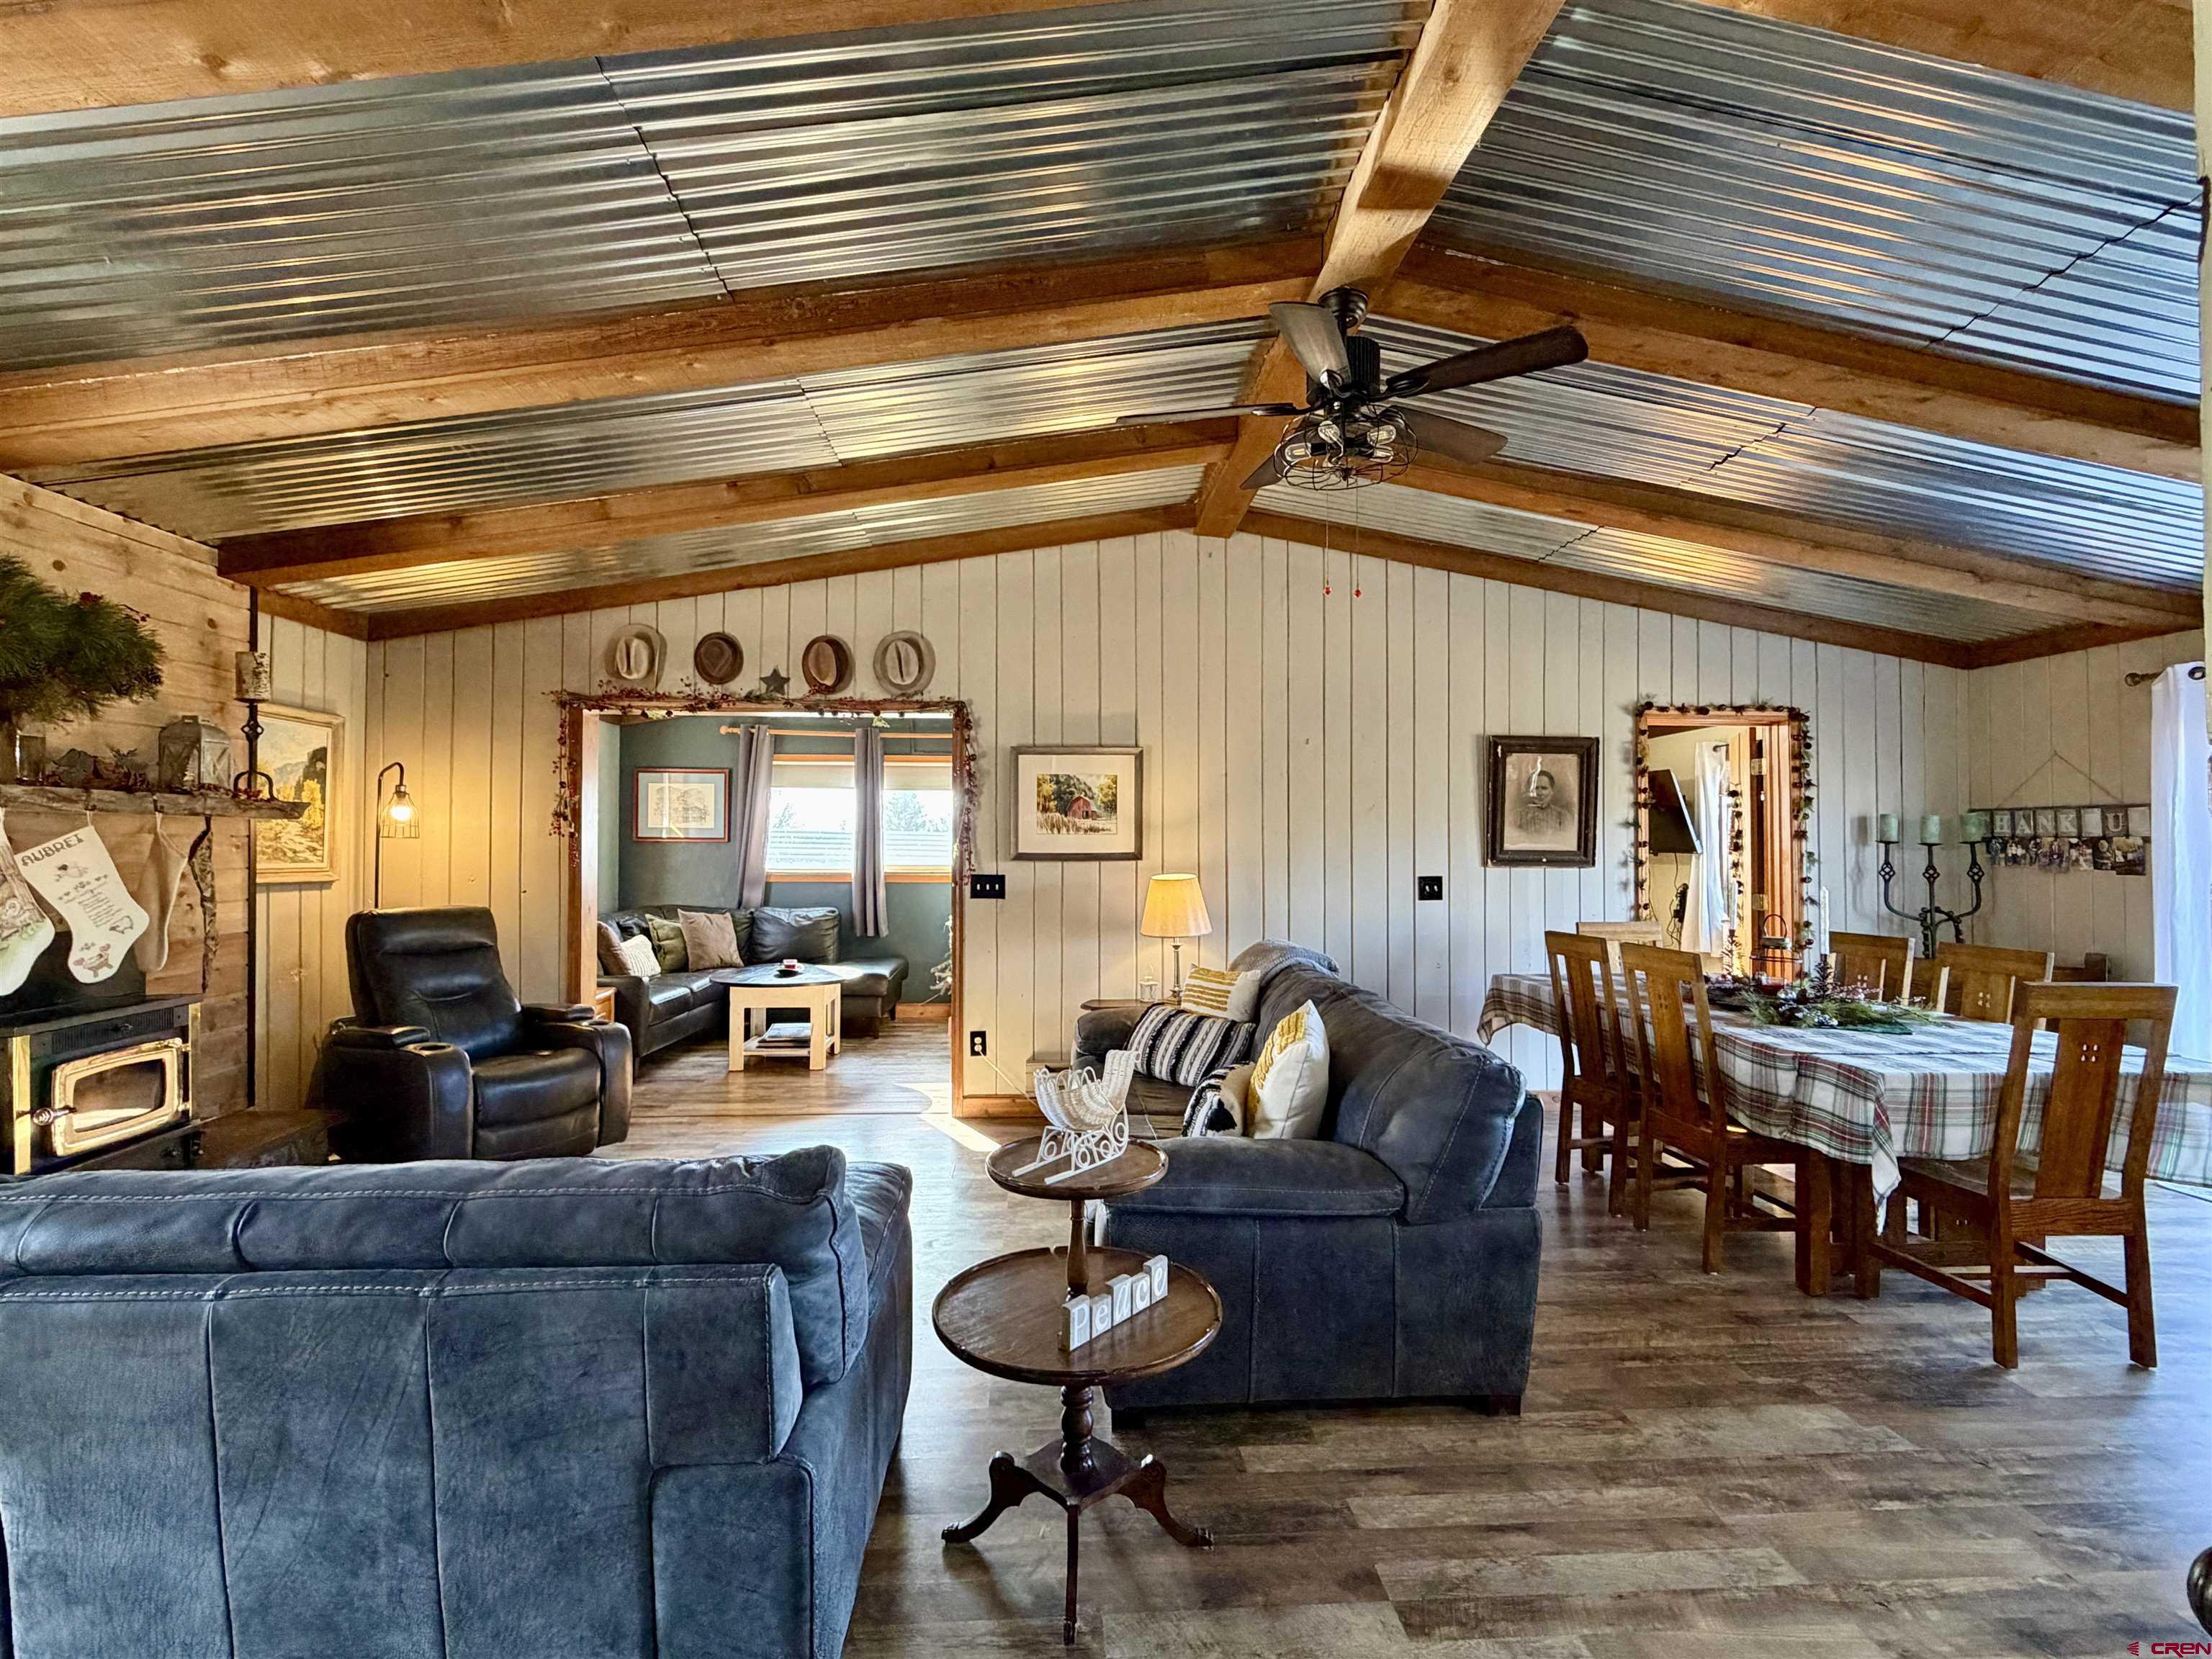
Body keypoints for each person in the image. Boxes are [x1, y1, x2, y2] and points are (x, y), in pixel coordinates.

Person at [1512, 764, 1575, 842]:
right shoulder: (1518, 816)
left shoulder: (1562, 817)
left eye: (1544, 788)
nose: (1540, 793)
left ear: (1552, 791)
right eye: (1536, 788)